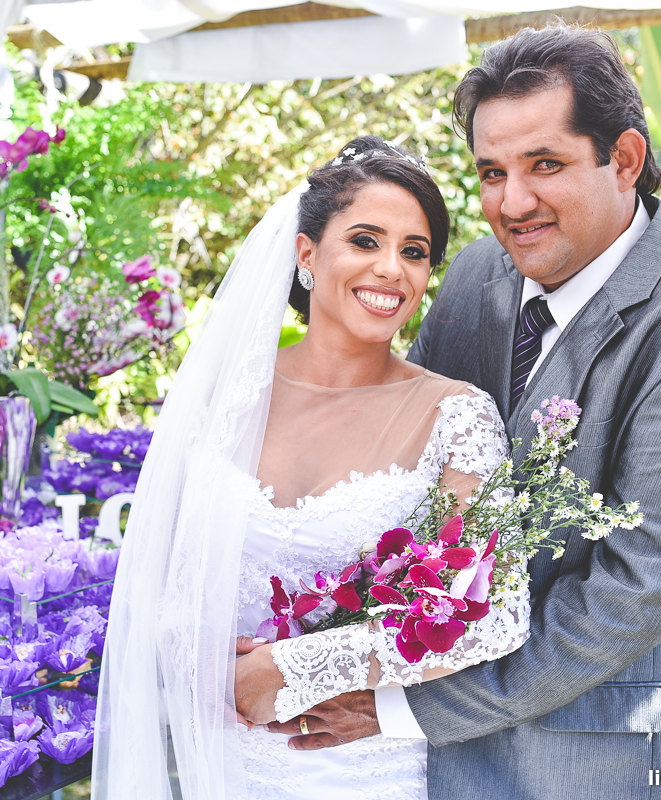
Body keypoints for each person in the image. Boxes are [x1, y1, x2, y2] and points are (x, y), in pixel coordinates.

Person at [267, 26, 661, 799]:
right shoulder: (478, 272)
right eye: (492, 172)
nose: (512, 203)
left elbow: (625, 599)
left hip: (601, 767)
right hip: (412, 768)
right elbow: (405, 476)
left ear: (625, 159)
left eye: (545, 164)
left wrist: (393, 706)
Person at [91, 137, 531, 800]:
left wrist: (297, 667)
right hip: (226, 762)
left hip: (368, 771)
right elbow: (164, 578)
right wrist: (206, 667)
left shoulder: (458, 416)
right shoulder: (222, 398)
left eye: (414, 252)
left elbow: (495, 613)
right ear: (306, 254)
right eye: (365, 241)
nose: (391, 269)